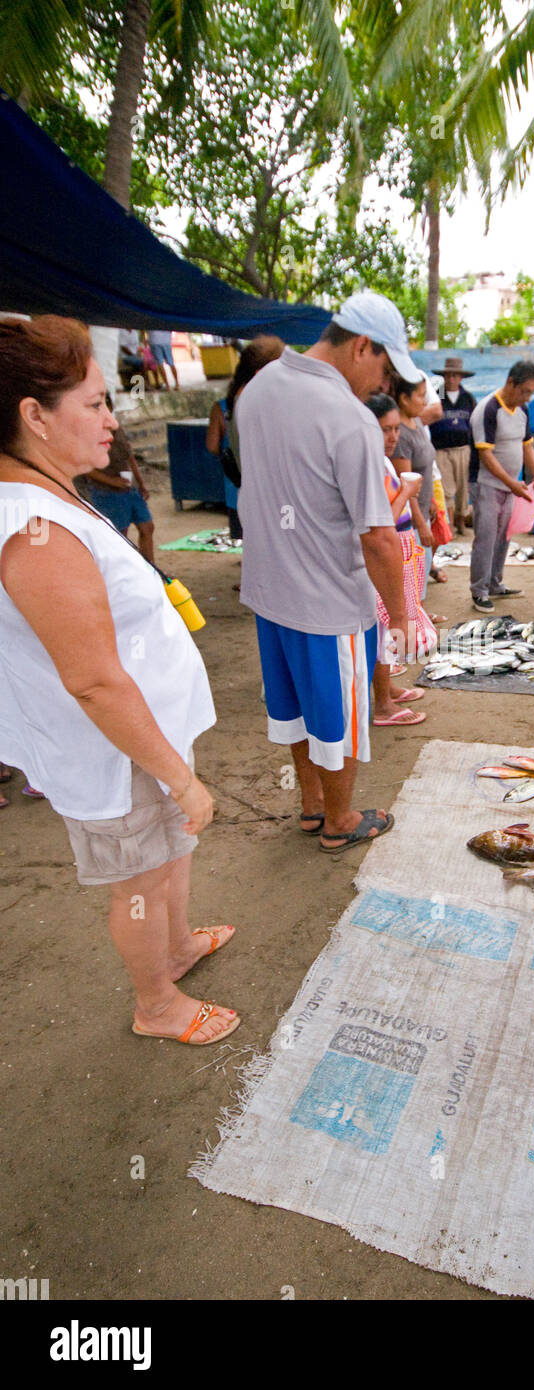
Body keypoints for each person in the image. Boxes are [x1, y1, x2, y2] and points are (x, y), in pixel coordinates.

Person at [0, 315, 233, 1045]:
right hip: (112, 747)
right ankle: (155, 1003)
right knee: (138, 879)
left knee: (171, 852)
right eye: (96, 403)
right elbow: (94, 681)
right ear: (34, 416)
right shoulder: (34, 527)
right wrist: (181, 777)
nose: (113, 418)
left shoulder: (55, 491)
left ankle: (176, 947)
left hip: (144, 736)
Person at [236, 290, 411, 853]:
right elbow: (379, 537)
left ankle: (312, 807)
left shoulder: (257, 388)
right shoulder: (348, 418)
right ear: (362, 346)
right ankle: (340, 820)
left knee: (296, 708)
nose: (380, 383)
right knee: (336, 715)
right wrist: (401, 618)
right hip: (329, 602)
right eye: (383, 366)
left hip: (269, 592)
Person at [365, 393, 429, 727]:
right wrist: (406, 493)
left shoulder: (385, 461)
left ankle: (386, 689)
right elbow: (379, 524)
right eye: (384, 429)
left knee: (388, 628)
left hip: (399, 550)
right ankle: (382, 706)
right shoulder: (367, 466)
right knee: (383, 629)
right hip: (383, 552)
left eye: (394, 429)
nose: (392, 437)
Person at [469, 360, 534, 614]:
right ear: (510, 382)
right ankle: (479, 590)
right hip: (486, 484)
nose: (526, 397)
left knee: (504, 536)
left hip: (512, 486)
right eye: (524, 390)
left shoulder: (522, 411)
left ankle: (495, 582)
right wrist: (510, 482)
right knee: (486, 537)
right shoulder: (488, 409)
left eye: (531, 392)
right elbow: (486, 455)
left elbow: (527, 445)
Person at [205, 336, 284, 542]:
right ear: (261, 372)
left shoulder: (225, 405)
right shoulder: (263, 404)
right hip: (269, 496)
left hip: (238, 489)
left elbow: (212, 445)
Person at [390, 373, 446, 618]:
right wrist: (420, 523)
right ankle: (414, 619)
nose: (426, 402)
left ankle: (420, 614)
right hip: (410, 518)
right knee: (412, 573)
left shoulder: (418, 424)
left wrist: (431, 500)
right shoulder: (400, 434)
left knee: (421, 570)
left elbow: (424, 468)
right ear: (403, 398)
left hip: (423, 508)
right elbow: (407, 484)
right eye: (420, 396)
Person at [84, 395, 155, 564]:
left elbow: (130, 457)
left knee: (147, 526)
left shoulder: (117, 429)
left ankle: (151, 568)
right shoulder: (89, 433)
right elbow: (88, 469)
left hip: (130, 488)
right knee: (118, 535)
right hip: (106, 492)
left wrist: (141, 483)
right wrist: (112, 482)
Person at [429, 356, 477, 534]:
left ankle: (461, 522)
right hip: (441, 450)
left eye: (455, 376)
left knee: (463, 487)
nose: (451, 379)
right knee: (446, 488)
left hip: (463, 449)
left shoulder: (468, 398)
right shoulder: (435, 397)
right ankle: (448, 526)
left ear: (461, 378)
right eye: (448, 376)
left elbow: (474, 423)